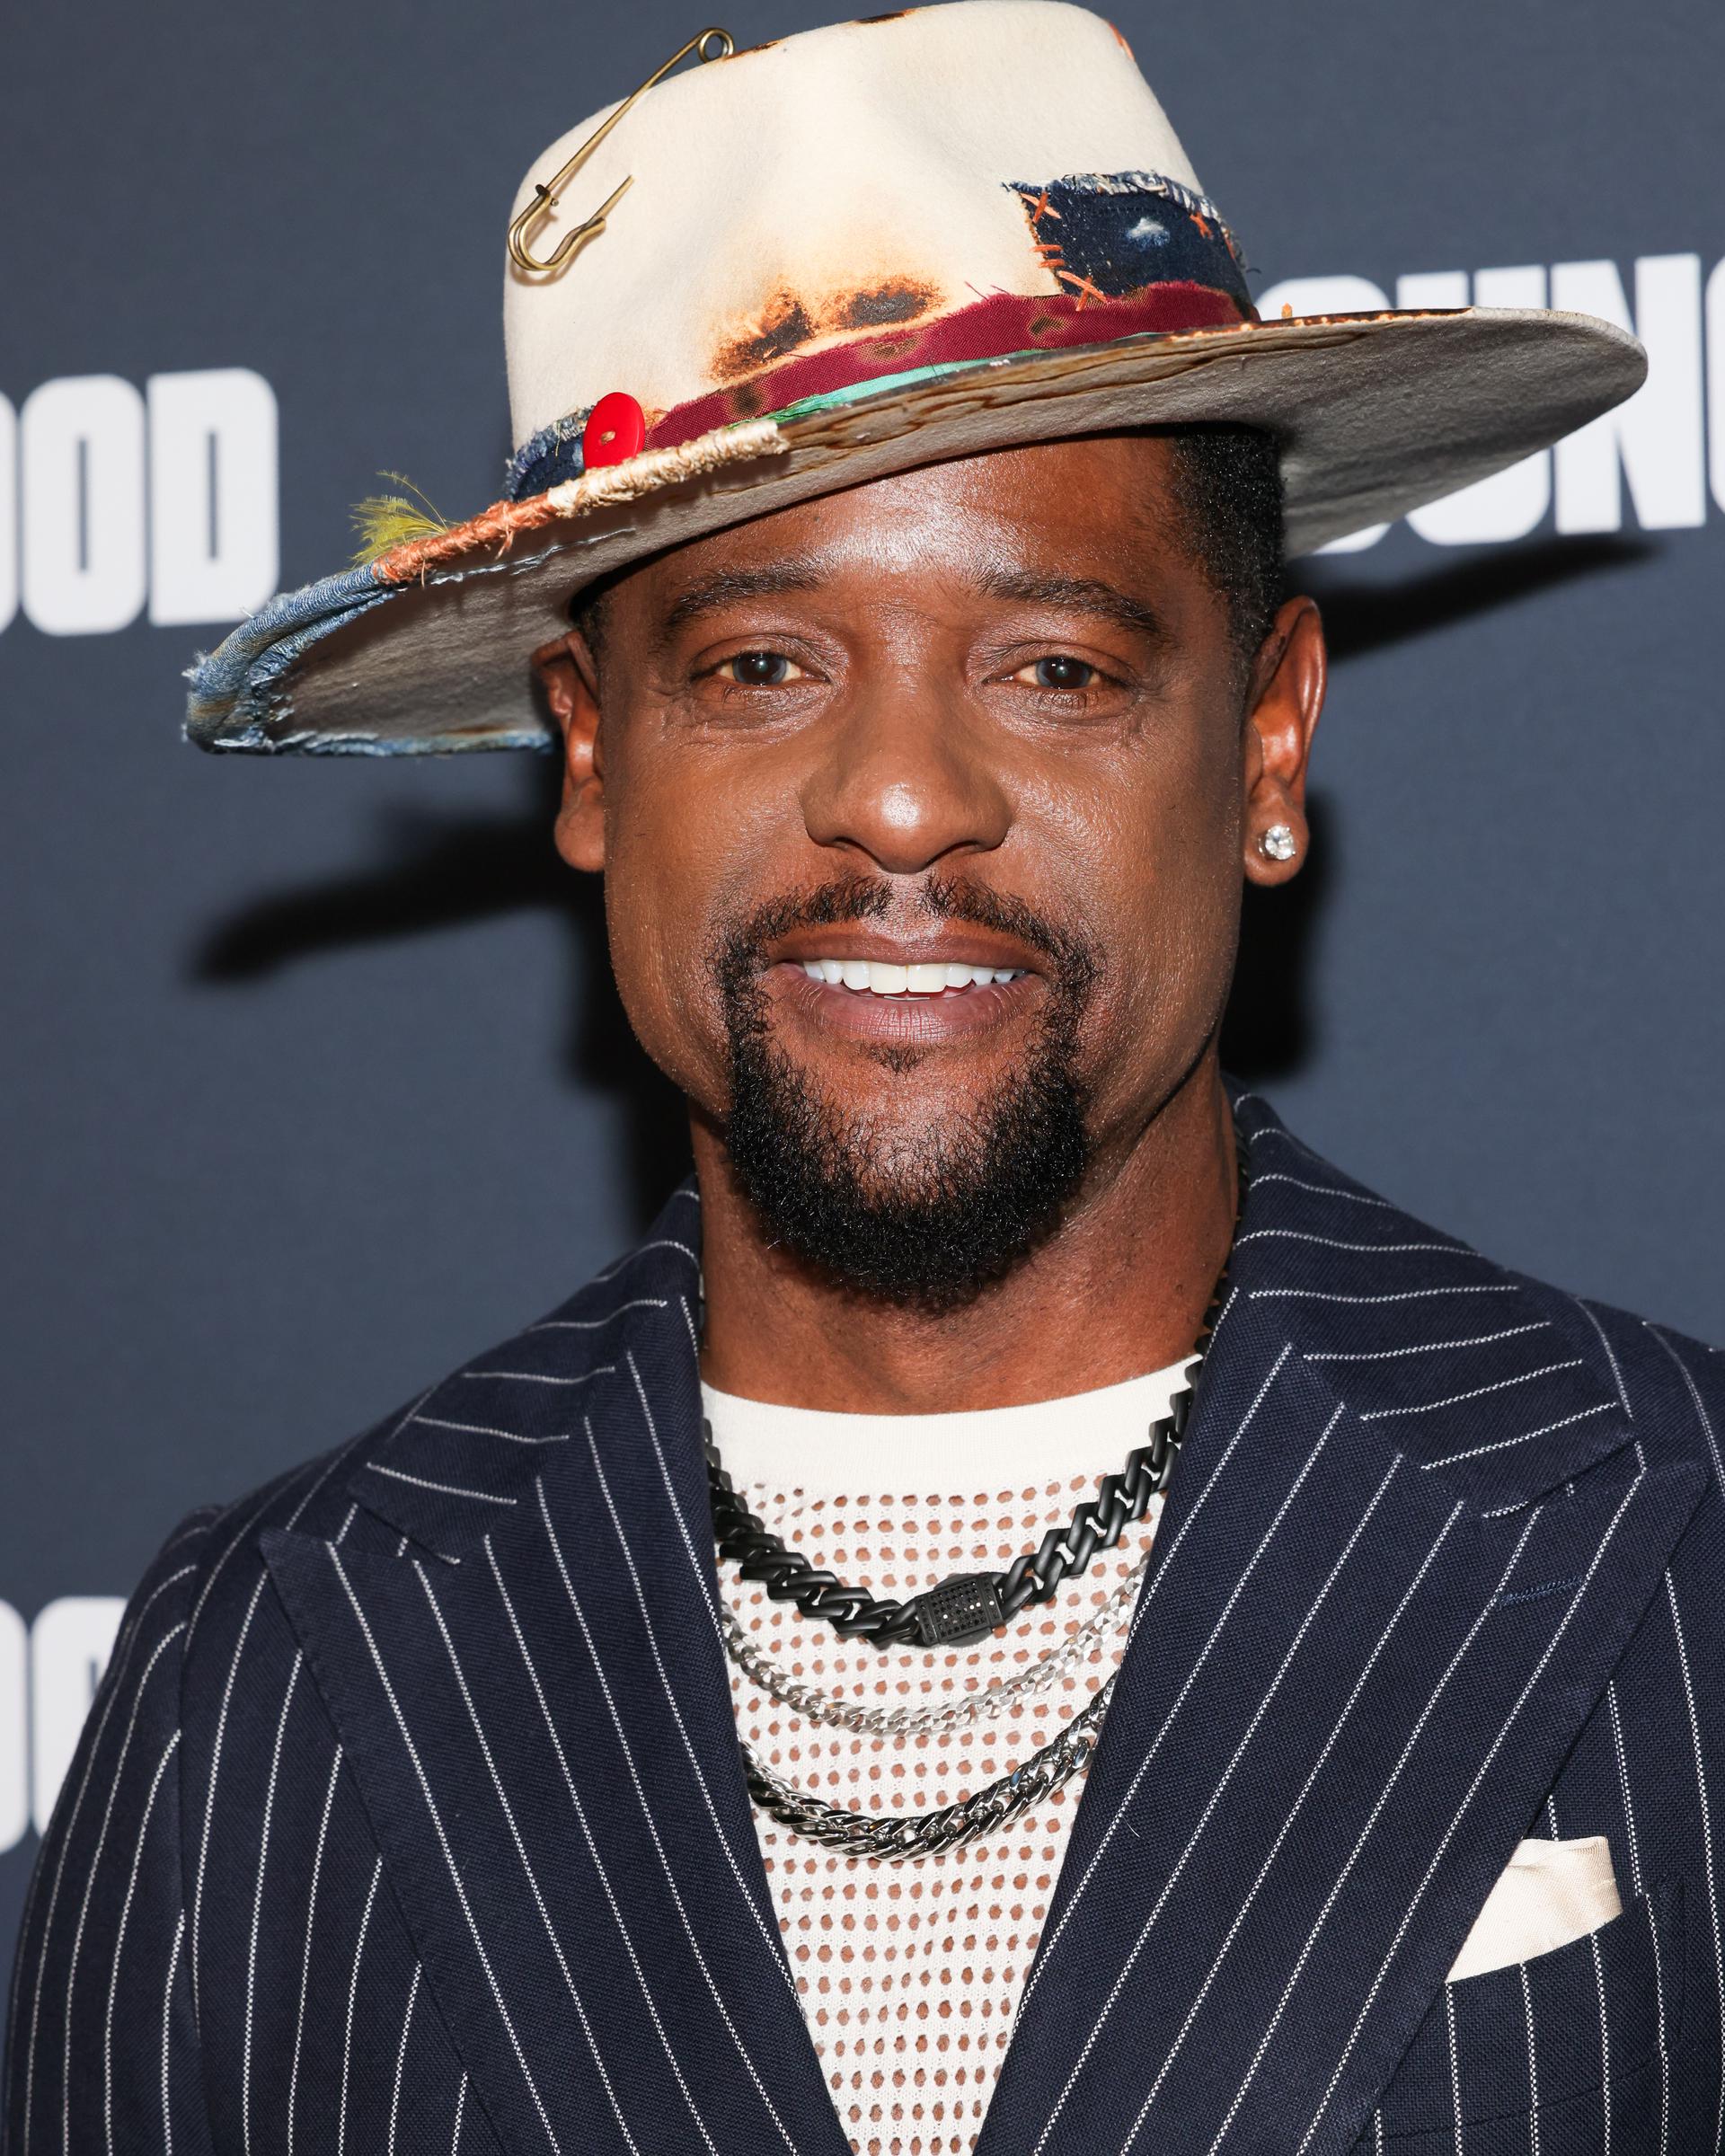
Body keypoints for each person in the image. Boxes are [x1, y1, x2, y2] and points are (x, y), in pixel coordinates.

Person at [7, 6, 1719, 2153]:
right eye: (758, 668)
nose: (902, 799)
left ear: (1268, 745)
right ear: (595, 754)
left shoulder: (1689, 1541)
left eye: (1058, 668)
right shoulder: (259, 1673)